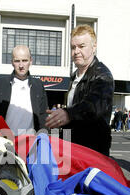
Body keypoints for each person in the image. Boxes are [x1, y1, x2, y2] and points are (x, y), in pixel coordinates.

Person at [45, 24, 114, 156]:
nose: (76, 51)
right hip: (72, 149)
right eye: (73, 47)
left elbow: (95, 106)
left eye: (82, 46)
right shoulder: (74, 76)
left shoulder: (102, 75)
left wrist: (68, 114)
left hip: (91, 152)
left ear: (94, 47)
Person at [0, 45, 49, 136]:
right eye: (17, 61)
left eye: (24, 60)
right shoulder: (0, 84)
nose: (21, 65)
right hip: (5, 141)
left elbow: (43, 116)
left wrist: (44, 140)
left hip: (31, 142)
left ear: (30, 61)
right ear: (12, 62)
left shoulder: (38, 86)